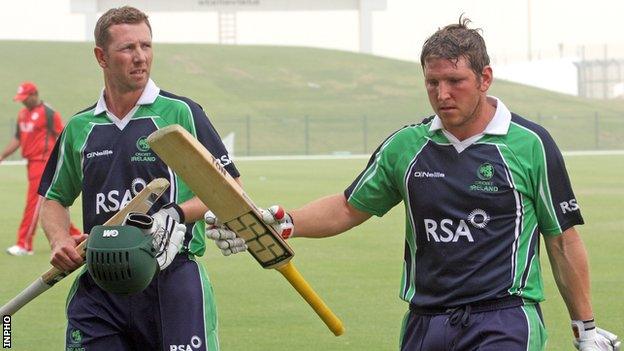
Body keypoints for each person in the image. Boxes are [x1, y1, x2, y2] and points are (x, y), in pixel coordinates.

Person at [206, 17, 620, 351]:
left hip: (504, 318)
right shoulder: (406, 146)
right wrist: (283, 222)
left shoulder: (529, 144)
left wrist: (584, 328)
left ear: (485, 77)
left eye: (454, 81)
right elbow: (349, 207)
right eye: (432, 82)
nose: (442, 94)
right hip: (427, 322)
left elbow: (562, 240)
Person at [38, 6, 238, 350]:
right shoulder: (80, 127)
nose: (140, 57)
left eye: (146, 46)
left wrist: (174, 213)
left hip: (171, 280)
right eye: (128, 48)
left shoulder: (180, 113)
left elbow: (229, 189)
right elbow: (54, 198)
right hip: (100, 286)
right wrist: (59, 240)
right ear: (101, 56)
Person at [0, 82, 82, 256]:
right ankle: (75, 235)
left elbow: (63, 136)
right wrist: (2, 156)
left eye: (25, 98)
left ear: (34, 94)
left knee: (34, 204)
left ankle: (24, 244)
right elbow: (18, 139)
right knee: (42, 204)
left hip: (43, 164)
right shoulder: (22, 114)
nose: (22, 102)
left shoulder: (48, 113)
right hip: (30, 164)